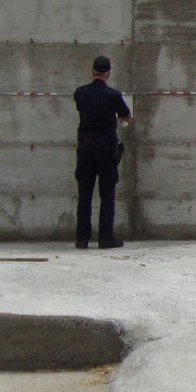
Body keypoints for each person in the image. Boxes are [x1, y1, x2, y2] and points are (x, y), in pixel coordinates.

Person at [73, 55, 132, 249]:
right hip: (106, 148)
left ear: (92, 71)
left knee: (85, 194)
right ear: (108, 73)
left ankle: (82, 239)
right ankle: (105, 238)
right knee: (107, 194)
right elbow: (125, 115)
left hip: (85, 147)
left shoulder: (80, 93)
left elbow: (82, 108)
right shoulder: (113, 95)